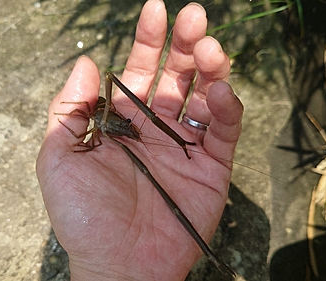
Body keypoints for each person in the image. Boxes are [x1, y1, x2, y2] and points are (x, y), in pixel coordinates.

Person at [36, 0, 244, 280]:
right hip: (103, 119)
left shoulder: (121, 125)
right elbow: (85, 133)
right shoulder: (97, 127)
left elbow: (121, 126)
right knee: (144, 167)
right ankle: (213, 258)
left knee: (138, 129)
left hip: (113, 122)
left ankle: (180, 144)